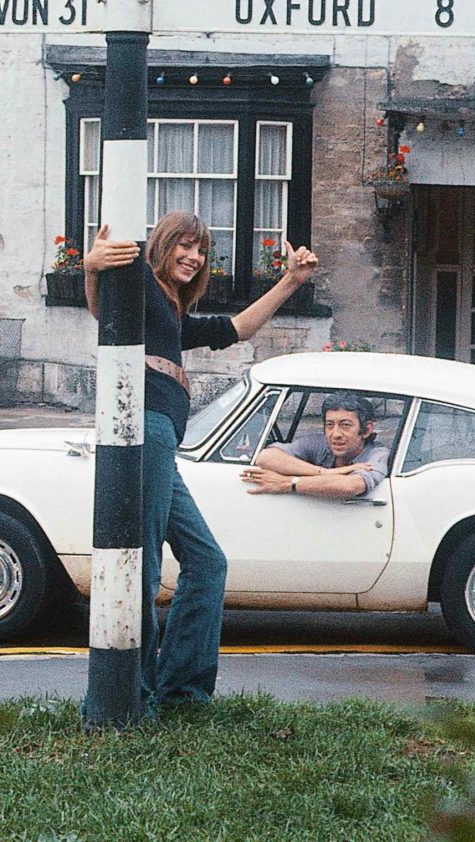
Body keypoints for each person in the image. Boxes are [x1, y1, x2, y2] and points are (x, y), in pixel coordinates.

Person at [84, 211, 317, 710]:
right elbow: (106, 304)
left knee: (207, 563)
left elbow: (238, 328)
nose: (193, 257)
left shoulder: (170, 314)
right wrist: (91, 267)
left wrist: (291, 282)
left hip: (162, 442)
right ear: (163, 245)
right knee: (140, 568)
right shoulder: (142, 283)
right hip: (143, 432)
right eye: (184, 246)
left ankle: (182, 693)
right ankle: (131, 697)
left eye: (202, 251)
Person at [241, 391, 391, 498]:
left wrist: (288, 483)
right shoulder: (320, 443)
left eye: (345, 425)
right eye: (330, 425)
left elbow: (351, 485)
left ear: (366, 430)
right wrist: (326, 472)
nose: (335, 434)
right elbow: (266, 457)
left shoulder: (378, 454)